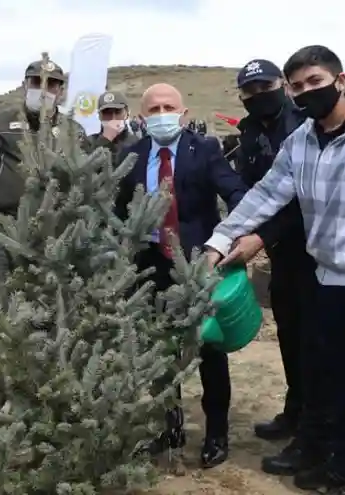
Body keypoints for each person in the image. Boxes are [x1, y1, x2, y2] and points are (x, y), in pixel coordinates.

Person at [205, 46, 345, 494]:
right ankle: (340, 468)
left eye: (316, 82)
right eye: (299, 86)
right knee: (336, 380)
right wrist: (220, 239)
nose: (308, 92)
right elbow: (266, 195)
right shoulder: (302, 139)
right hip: (329, 275)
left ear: (340, 80)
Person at [115, 83, 247, 468]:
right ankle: (167, 426)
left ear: (184, 113)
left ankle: (216, 434)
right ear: (141, 118)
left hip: (199, 265)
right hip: (150, 267)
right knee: (159, 350)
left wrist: (229, 240)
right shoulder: (132, 156)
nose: (161, 113)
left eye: (168, 106)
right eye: (153, 108)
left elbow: (235, 193)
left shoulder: (203, 150)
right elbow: (118, 210)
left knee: (209, 350)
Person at [0, 57, 85, 435]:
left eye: (52, 84)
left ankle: (40, 395)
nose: (43, 89)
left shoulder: (71, 131)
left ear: (61, 90)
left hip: (47, 235)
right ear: (25, 83)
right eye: (36, 81)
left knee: (46, 315)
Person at [232, 58, 327, 476]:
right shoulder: (250, 131)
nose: (258, 96)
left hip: (314, 251)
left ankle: (312, 429)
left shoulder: (304, 126)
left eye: (265, 86)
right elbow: (255, 189)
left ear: (283, 86)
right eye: (249, 92)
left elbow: (299, 199)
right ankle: (294, 410)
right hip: (280, 255)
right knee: (289, 331)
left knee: (314, 341)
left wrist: (260, 236)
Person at [83, 91, 138, 166]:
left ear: (127, 113)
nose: (113, 118)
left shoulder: (136, 142)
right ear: (99, 116)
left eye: (118, 112)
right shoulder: (89, 142)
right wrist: (105, 140)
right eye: (107, 113)